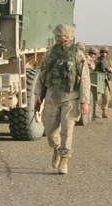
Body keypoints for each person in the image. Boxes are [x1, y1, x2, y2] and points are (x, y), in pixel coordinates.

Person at [34, 24, 91, 174]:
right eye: (56, 36)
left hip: (70, 97)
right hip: (52, 96)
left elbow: (85, 78)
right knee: (50, 129)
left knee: (67, 130)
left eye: (60, 36)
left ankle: (64, 160)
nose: (57, 38)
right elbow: (43, 74)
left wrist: (84, 101)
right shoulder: (50, 53)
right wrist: (38, 93)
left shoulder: (77, 54)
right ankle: (56, 148)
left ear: (67, 37)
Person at [94, 46, 112, 118]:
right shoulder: (96, 60)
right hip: (99, 80)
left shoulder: (109, 61)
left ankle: (104, 112)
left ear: (107, 53)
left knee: (106, 97)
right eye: (103, 52)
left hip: (106, 81)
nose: (104, 53)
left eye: (105, 52)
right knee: (97, 97)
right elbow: (93, 68)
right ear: (100, 53)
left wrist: (110, 69)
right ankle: (94, 112)